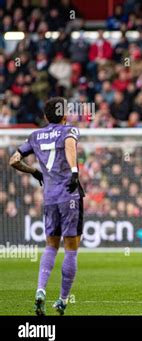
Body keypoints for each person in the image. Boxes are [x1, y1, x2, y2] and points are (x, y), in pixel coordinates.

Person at [9, 97, 85, 315]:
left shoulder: (35, 136)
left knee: (51, 247)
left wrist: (34, 172)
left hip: (50, 198)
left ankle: (40, 290)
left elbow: (14, 160)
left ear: (45, 117)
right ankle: (61, 300)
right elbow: (70, 146)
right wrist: (73, 171)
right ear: (64, 115)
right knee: (71, 250)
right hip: (69, 196)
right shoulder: (69, 130)